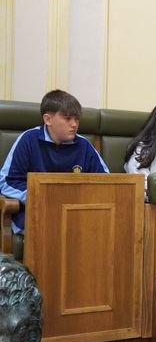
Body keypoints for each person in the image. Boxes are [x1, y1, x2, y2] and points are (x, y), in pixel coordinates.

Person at [0, 89, 109, 234]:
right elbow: (6, 181)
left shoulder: (84, 145)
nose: (74, 124)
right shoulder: (28, 140)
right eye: (68, 118)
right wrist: (37, 197)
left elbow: (106, 181)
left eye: (77, 119)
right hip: (37, 211)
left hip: (75, 211)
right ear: (48, 119)